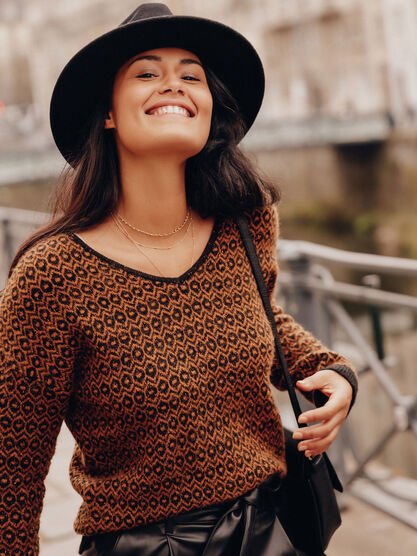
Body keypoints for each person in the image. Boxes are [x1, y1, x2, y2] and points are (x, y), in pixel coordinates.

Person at [0, 3, 358, 555]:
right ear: (108, 113)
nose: (174, 85)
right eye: (147, 73)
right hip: (146, 545)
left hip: (272, 531)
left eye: (192, 76)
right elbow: (11, 475)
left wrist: (328, 369)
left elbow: (258, 312)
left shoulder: (244, 222)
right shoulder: (52, 275)